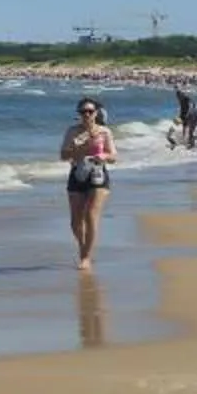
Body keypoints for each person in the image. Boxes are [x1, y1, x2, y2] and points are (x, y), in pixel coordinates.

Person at [59, 99, 116, 272]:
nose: (87, 115)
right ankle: (84, 246)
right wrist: (78, 149)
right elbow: (63, 155)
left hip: (97, 174)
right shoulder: (73, 132)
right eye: (83, 112)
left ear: (96, 113)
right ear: (79, 114)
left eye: (90, 111)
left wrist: (104, 157)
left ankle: (85, 257)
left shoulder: (104, 132)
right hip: (77, 172)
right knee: (76, 222)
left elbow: (114, 155)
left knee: (91, 215)